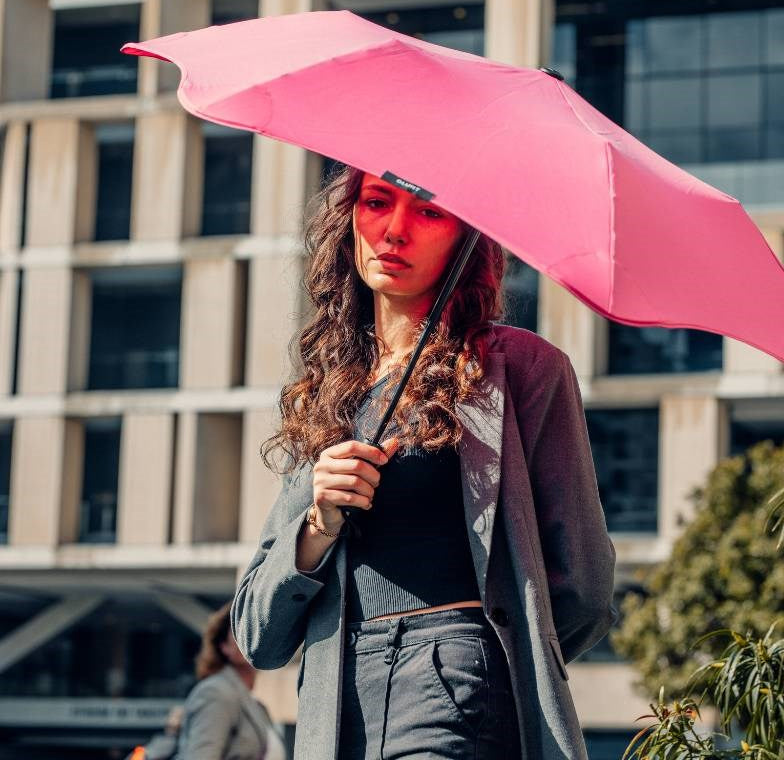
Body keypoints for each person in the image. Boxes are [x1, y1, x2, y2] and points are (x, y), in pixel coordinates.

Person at [232, 165, 617, 760]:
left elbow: (584, 586)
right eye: (377, 202)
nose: (394, 232)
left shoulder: (522, 369)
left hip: (455, 674)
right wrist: (317, 525)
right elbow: (259, 634)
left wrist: (500, 655)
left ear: (467, 239)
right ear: (349, 220)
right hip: (332, 694)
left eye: (430, 212)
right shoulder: (328, 392)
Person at [175, 601, 286, 760]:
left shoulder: (256, 706)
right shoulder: (216, 692)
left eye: (256, 628)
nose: (251, 636)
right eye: (240, 631)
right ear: (224, 647)